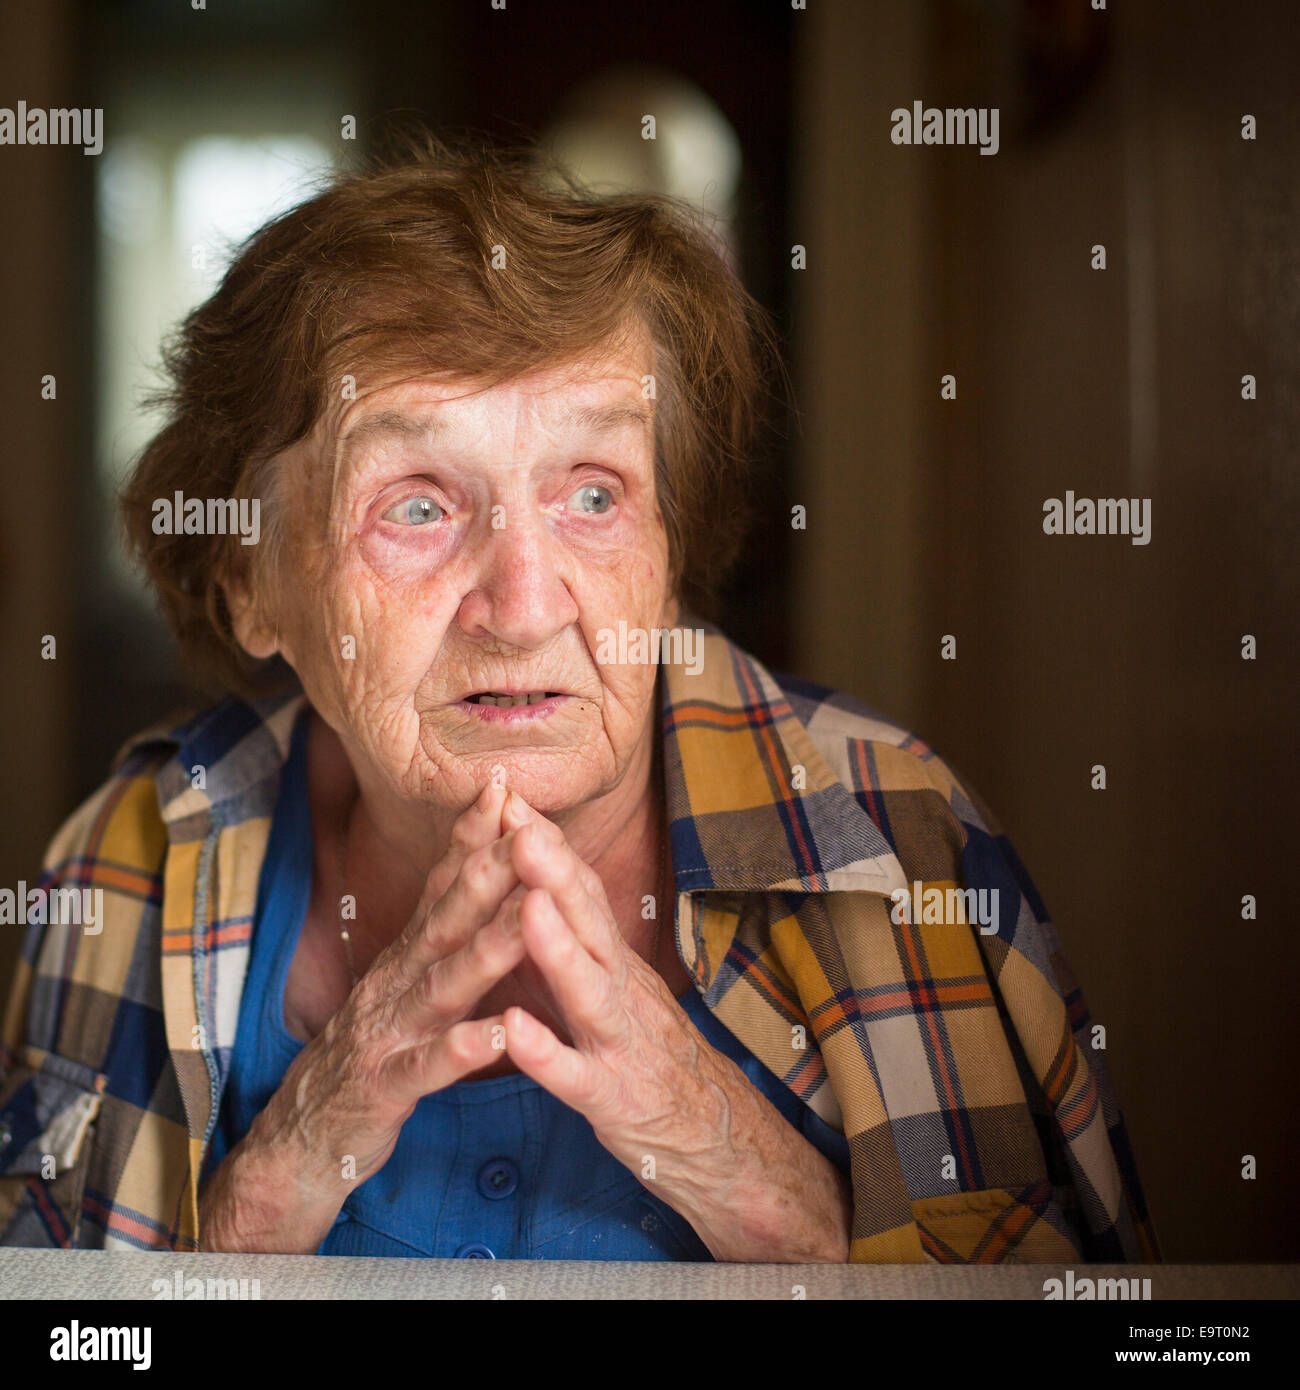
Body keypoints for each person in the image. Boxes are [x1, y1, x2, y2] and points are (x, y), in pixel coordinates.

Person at [0, 135, 1157, 1263]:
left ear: (668, 542)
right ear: (251, 583)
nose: (522, 603)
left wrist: (747, 1175)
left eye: (593, 495)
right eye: (414, 503)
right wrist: (283, 1171)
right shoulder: (134, 858)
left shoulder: (900, 845)